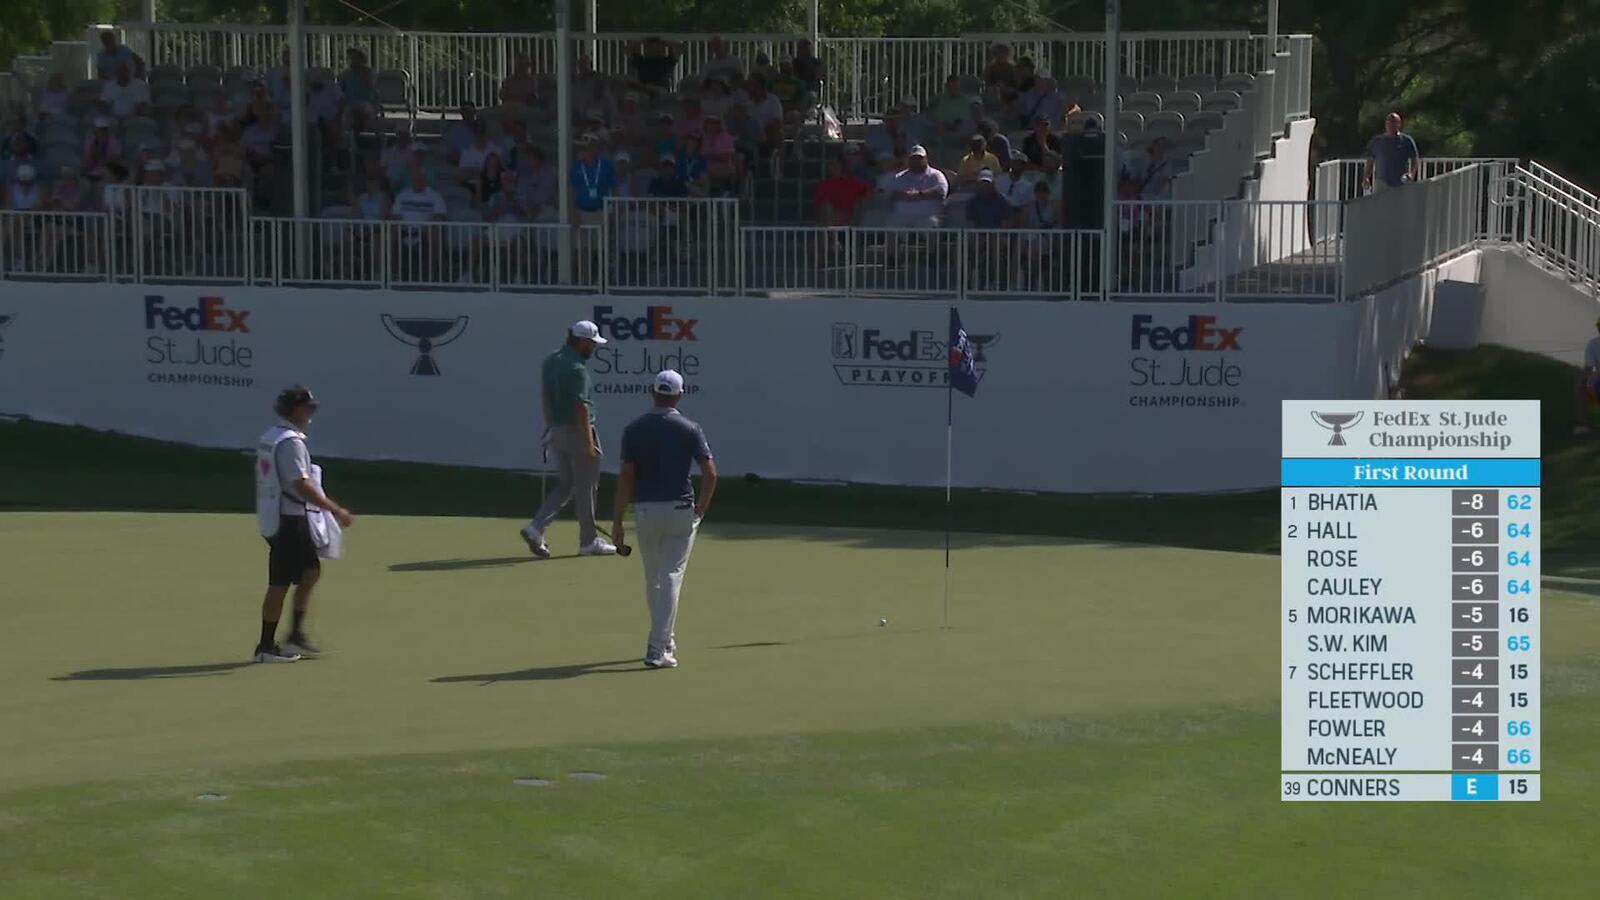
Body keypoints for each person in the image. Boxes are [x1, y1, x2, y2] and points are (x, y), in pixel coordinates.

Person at [610, 369, 717, 669]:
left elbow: (626, 479)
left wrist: (618, 521)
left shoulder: (634, 429)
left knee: (654, 576)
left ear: (653, 392)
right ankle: (658, 647)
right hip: (681, 511)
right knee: (670, 575)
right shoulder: (690, 428)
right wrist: (702, 510)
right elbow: (710, 473)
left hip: (646, 512)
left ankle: (664, 640)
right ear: (679, 395)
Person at [253, 385, 354, 663]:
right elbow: (301, 484)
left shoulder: (272, 436)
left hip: (277, 517)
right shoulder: (291, 443)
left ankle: (290, 637)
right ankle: (267, 646)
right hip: (289, 520)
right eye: (309, 408)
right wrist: (336, 510)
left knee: (307, 572)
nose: (312, 414)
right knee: (285, 581)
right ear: (296, 409)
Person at [522, 321, 618, 558]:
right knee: (586, 487)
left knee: (566, 485)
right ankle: (588, 542)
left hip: (558, 431)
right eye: (593, 343)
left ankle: (536, 527)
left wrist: (550, 426)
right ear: (582, 341)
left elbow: (545, 395)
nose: (594, 348)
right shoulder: (577, 369)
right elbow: (581, 408)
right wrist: (588, 444)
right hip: (579, 432)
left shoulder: (551, 360)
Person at [888, 145, 949, 228]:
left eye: (920, 158)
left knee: (932, 226)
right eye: (913, 158)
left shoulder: (936, 175)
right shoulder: (899, 176)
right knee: (891, 227)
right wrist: (905, 195)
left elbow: (941, 191)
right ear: (908, 160)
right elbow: (890, 193)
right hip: (902, 217)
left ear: (926, 159)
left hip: (928, 216)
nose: (916, 161)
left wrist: (920, 194)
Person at [1365, 112, 1420, 193]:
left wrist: (1411, 174)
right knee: (1381, 204)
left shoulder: (1406, 140)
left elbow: (1415, 159)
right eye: (1388, 122)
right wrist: (1366, 177)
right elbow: (1370, 161)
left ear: (1399, 124)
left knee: (1400, 204)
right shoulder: (1377, 141)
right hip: (1382, 182)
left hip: (1401, 182)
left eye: (1394, 122)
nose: (1390, 125)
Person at [814, 153, 871, 226]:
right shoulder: (823, 185)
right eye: (830, 164)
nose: (833, 167)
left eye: (835, 164)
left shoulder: (854, 183)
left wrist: (855, 212)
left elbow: (869, 195)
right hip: (829, 225)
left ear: (842, 165)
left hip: (850, 223)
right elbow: (820, 208)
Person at [1578, 318, 1600, 435]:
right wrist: (1586, 383)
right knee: (1582, 386)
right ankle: (1582, 424)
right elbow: (1588, 369)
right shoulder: (1593, 344)